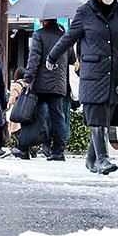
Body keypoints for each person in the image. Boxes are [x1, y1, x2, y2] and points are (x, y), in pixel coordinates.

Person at [46, 0, 118, 175]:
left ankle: (90, 160)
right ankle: (103, 159)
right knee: (97, 118)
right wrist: (52, 57)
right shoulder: (85, 12)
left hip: (114, 75)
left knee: (105, 120)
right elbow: (69, 37)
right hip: (93, 73)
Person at [25, 19, 77, 161]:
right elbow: (73, 59)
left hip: (41, 84)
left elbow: (34, 59)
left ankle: (24, 148)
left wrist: (27, 78)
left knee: (30, 114)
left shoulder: (38, 35)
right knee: (58, 117)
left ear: (44, 19)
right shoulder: (64, 37)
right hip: (59, 85)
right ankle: (58, 151)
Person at [7, 66, 30, 159]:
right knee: (25, 131)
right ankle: (29, 150)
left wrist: (8, 105)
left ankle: (21, 149)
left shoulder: (15, 85)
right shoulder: (28, 84)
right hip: (28, 111)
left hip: (18, 111)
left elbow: (12, 98)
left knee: (17, 132)